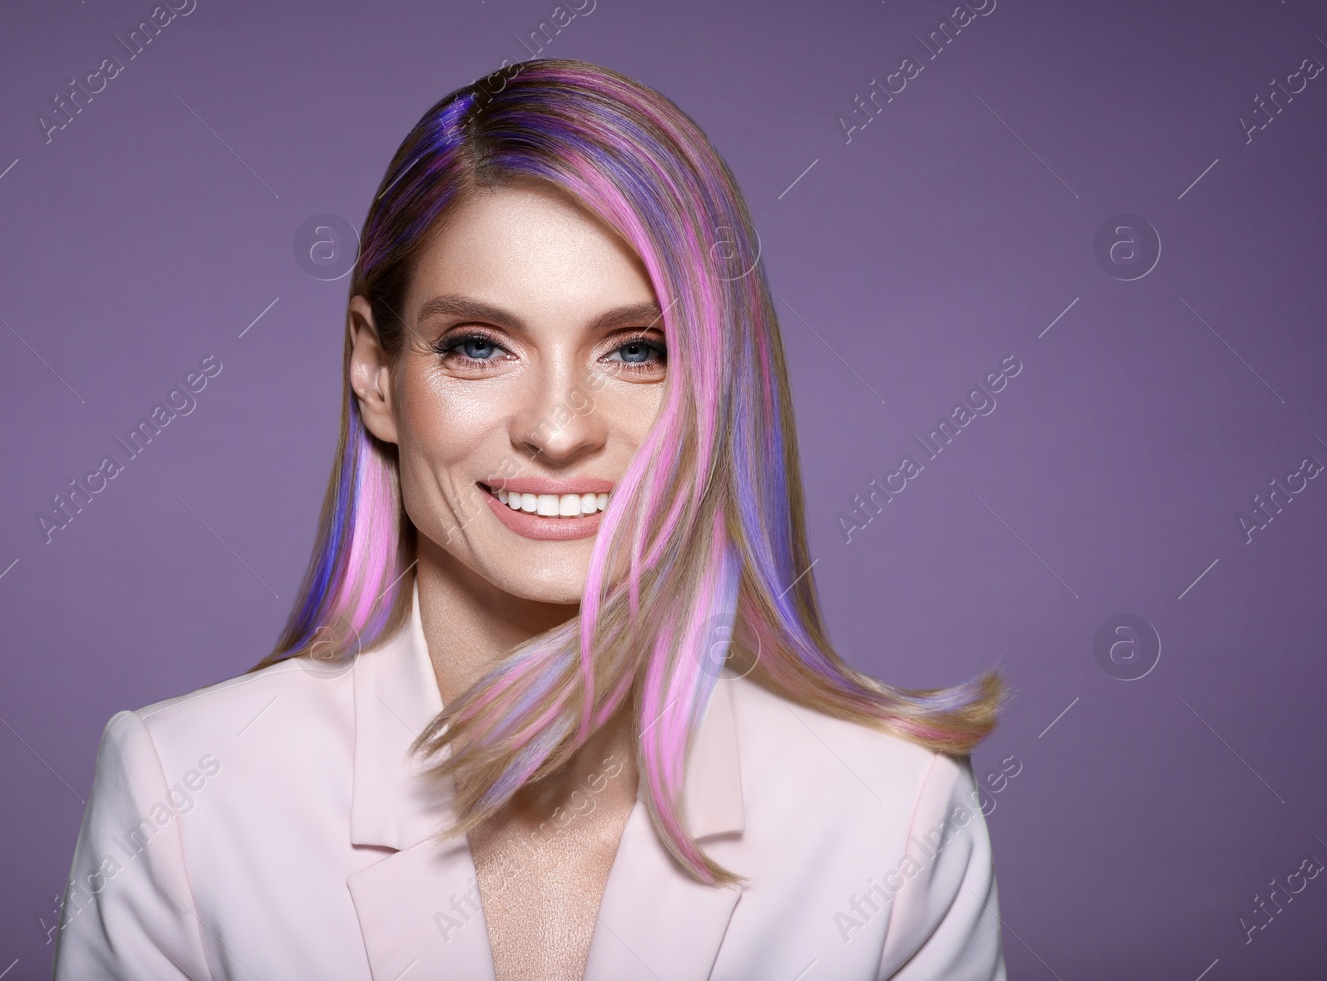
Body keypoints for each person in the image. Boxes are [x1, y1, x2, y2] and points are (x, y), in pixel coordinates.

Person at [52, 58, 1009, 980]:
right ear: (375, 373)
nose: (557, 429)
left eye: (637, 351)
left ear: (718, 385)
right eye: (478, 345)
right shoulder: (181, 796)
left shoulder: (897, 818)